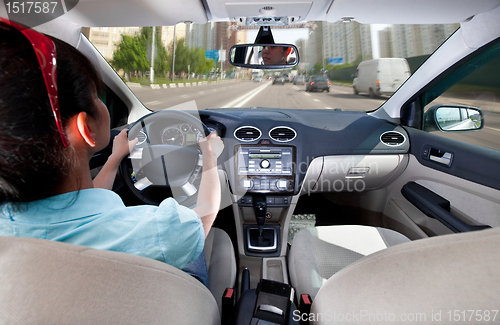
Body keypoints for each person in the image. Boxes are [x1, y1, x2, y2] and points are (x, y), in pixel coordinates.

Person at [0, 19, 223, 287]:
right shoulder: (159, 233)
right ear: (86, 128)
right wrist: (209, 157)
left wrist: (115, 158)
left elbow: (83, 198)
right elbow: (203, 217)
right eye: (99, 97)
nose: (103, 104)